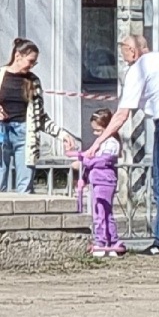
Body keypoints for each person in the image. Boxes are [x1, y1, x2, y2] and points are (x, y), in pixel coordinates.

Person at [85, 34, 159, 256]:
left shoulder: (139, 69)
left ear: (133, 50)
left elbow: (122, 114)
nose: (124, 58)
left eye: (124, 53)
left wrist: (99, 141)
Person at [64, 109, 126, 258]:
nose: (95, 134)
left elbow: (101, 161)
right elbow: (92, 162)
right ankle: (107, 242)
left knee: (103, 213)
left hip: (105, 182)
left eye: (98, 130)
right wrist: (84, 178)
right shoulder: (101, 143)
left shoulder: (111, 143)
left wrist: (83, 158)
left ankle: (104, 242)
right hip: (97, 181)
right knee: (99, 213)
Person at [0, 39, 51, 192]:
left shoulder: (33, 81)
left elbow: (39, 116)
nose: (31, 66)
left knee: (25, 186)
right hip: (2, 132)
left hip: (25, 134)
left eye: (34, 63)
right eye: (30, 61)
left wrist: (63, 135)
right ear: (18, 55)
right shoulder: (1, 74)